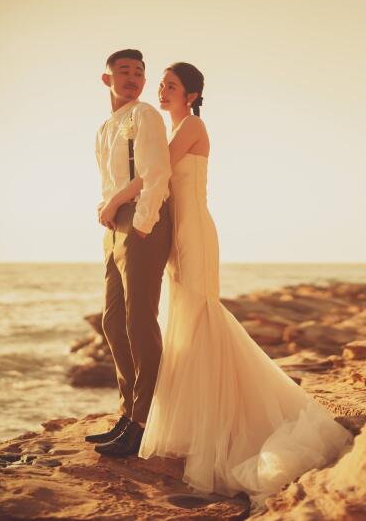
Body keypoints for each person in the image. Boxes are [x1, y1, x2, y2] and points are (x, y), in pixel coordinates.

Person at [106, 61, 352, 510]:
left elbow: (152, 174)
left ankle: (221, 423)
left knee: (202, 316)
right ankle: (192, 420)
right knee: (183, 318)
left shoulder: (192, 127)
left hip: (194, 232)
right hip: (176, 234)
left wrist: (117, 199)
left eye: (171, 86)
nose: (161, 91)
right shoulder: (170, 126)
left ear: (193, 95)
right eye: (161, 85)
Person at [84, 49, 172, 456]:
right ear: (107, 79)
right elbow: (112, 180)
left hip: (143, 219)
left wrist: (140, 223)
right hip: (115, 225)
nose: (133, 77)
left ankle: (143, 421)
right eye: (124, 71)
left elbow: (155, 173)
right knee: (113, 321)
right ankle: (127, 413)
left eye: (139, 71)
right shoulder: (105, 127)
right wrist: (108, 211)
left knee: (139, 320)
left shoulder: (145, 115)